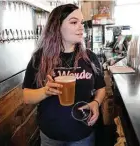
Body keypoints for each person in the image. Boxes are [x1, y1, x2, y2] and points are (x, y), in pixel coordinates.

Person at [22, 4, 106, 146]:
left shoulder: (89, 57)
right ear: (57, 26)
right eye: (74, 22)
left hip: (82, 133)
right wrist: (45, 91)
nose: (81, 27)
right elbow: (26, 97)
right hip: (51, 135)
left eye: (81, 22)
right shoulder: (40, 58)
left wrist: (96, 103)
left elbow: (101, 88)